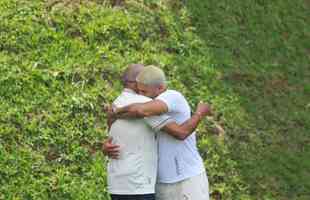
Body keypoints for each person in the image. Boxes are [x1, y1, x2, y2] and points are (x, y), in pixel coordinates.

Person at [103, 64, 212, 200]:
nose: (141, 95)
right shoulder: (142, 103)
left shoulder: (171, 96)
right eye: (139, 89)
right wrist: (107, 145)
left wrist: (199, 113)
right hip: (160, 182)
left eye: (144, 90)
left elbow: (180, 132)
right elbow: (121, 131)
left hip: (186, 178)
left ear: (159, 87)